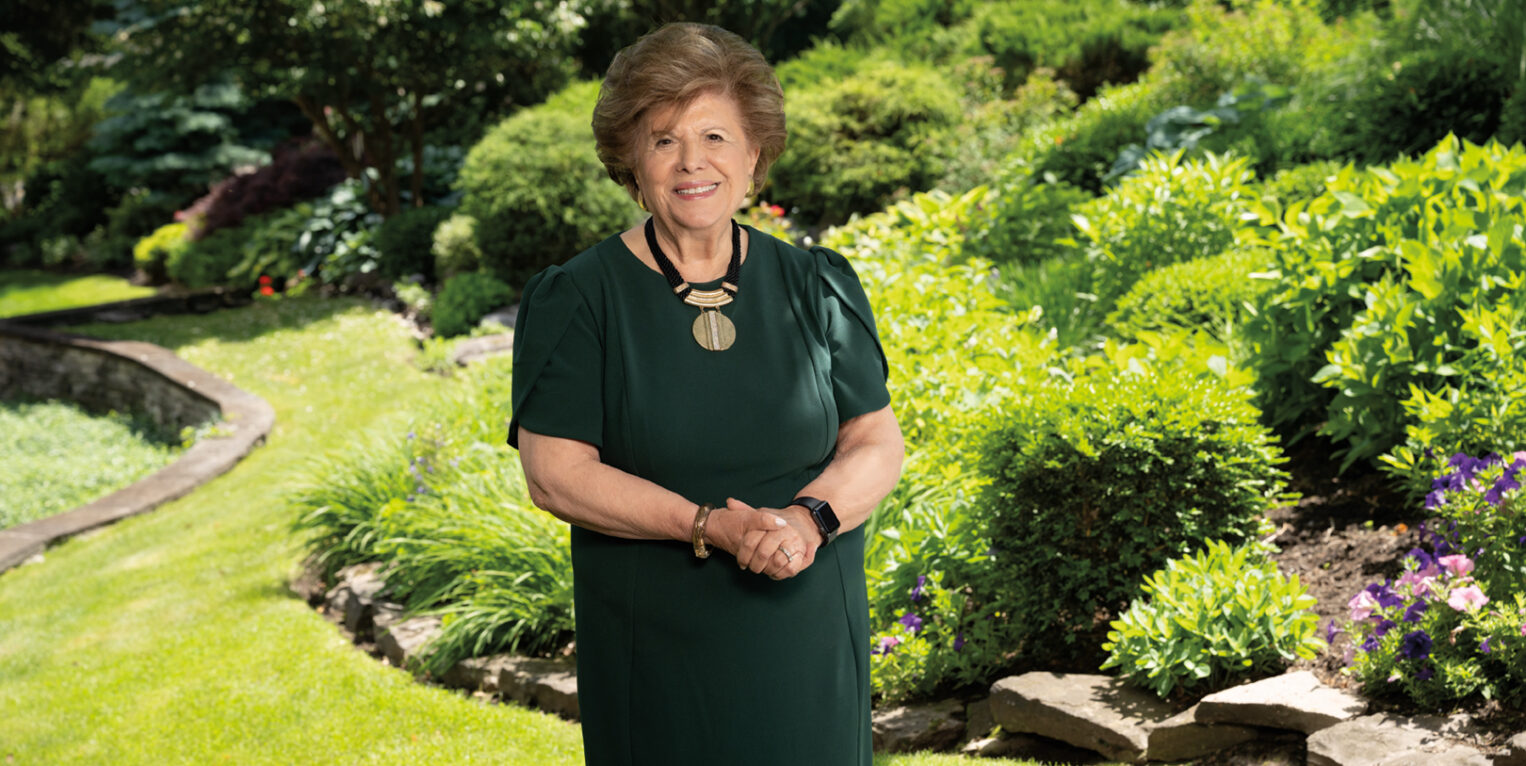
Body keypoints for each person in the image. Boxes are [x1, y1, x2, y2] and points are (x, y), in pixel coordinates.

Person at [508, 22, 904, 766]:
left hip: (809, 640)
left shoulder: (818, 286)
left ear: (754, 153)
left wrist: (808, 521)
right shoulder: (580, 298)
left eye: (716, 137)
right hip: (656, 653)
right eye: (663, 140)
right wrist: (707, 526)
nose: (693, 162)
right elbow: (554, 475)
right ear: (631, 159)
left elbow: (875, 440)